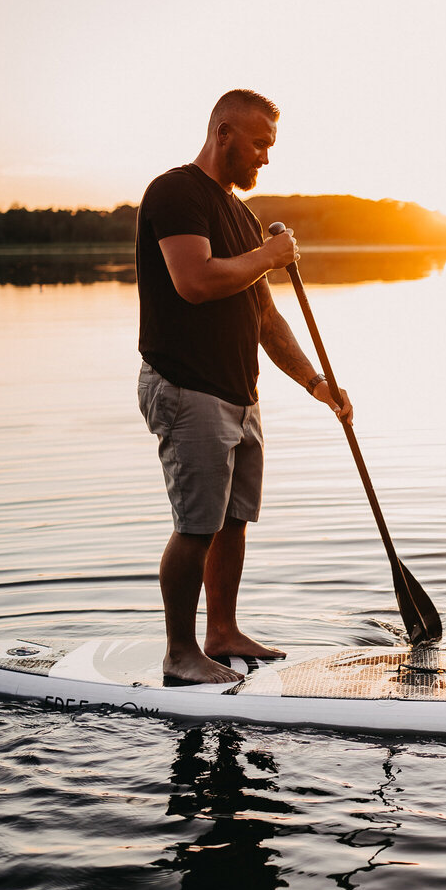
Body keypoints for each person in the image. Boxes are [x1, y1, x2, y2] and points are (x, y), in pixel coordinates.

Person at [135, 89, 352, 686]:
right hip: (187, 386)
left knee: (233, 521)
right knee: (197, 525)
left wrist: (316, 383)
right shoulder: (175, 191)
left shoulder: (242, 214)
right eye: (259, 144)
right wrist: (270, 254)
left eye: (270, 146)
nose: (265, 158)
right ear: (223, 132)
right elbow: (195, 281)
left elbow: (264, 318)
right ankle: (180, 652)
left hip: (238, 391)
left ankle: (221, 632)